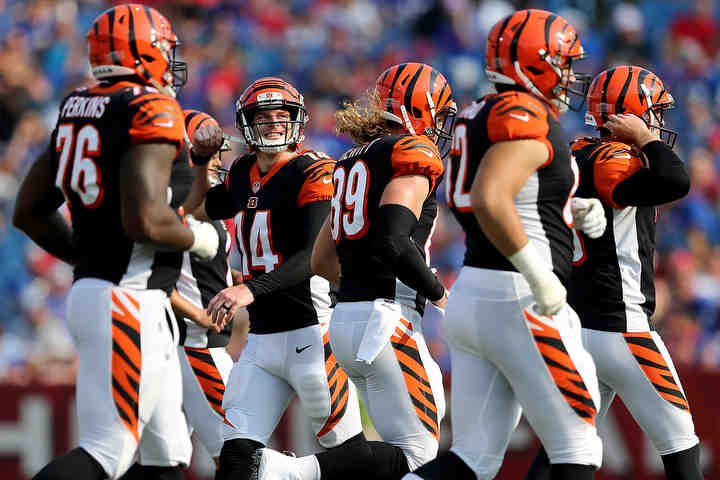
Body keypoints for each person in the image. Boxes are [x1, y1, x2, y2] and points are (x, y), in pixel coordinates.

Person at [12, 4, 220, 480]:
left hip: (109, 294)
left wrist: (88, 259)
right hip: (130, 299)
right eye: (166, 49)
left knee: (167, 455)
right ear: (145, 52)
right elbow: (145, 220)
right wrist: (200, 239)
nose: (172, 61)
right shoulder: (148, 106)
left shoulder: (77, 106)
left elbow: (29, 211)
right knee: (107, 451)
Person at [406, 9, 606, 480]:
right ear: (534, 64)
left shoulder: (481, 111)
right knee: (578, 444)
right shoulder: (525, 113)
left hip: (475, 293)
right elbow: (491, 198)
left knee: (473, 458)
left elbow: (513, 195)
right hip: (521, 296)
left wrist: (568, 208)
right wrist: (540, 276)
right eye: (564, 62)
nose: (571, 76)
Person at [255, 62, 457, 480]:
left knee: (400, 454)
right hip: (388, 320)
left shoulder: (349, 160)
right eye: (437, 113)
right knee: (420, 455)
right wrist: (440, 295)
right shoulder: (410, 153)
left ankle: (288, 471)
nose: (440, 126)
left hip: (351, 319)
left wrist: (359, 294)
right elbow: (393, 239)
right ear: (418, 110)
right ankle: (286, 472)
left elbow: (320, 259)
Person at [183, 77, 365, 480]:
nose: (273, 123)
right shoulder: (244, 170)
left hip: (311, 334)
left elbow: (312, 258)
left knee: (350, 457)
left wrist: (249, 288)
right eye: (262, 116)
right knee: (235, 463)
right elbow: (200, 209)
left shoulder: (312, 170)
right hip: (261, 342)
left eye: (282, 115)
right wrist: (201, 165)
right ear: (247, 123)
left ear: (297, 121)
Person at [525, 66, 701, 480]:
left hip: (578, 327)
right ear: (631, 114)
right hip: (621, 327)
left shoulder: (575, 154)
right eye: (652, 113)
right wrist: (645, 138)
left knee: (564, 453)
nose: (658, 123)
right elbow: (676, 180)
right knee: (682, 448)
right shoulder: (614, 158)